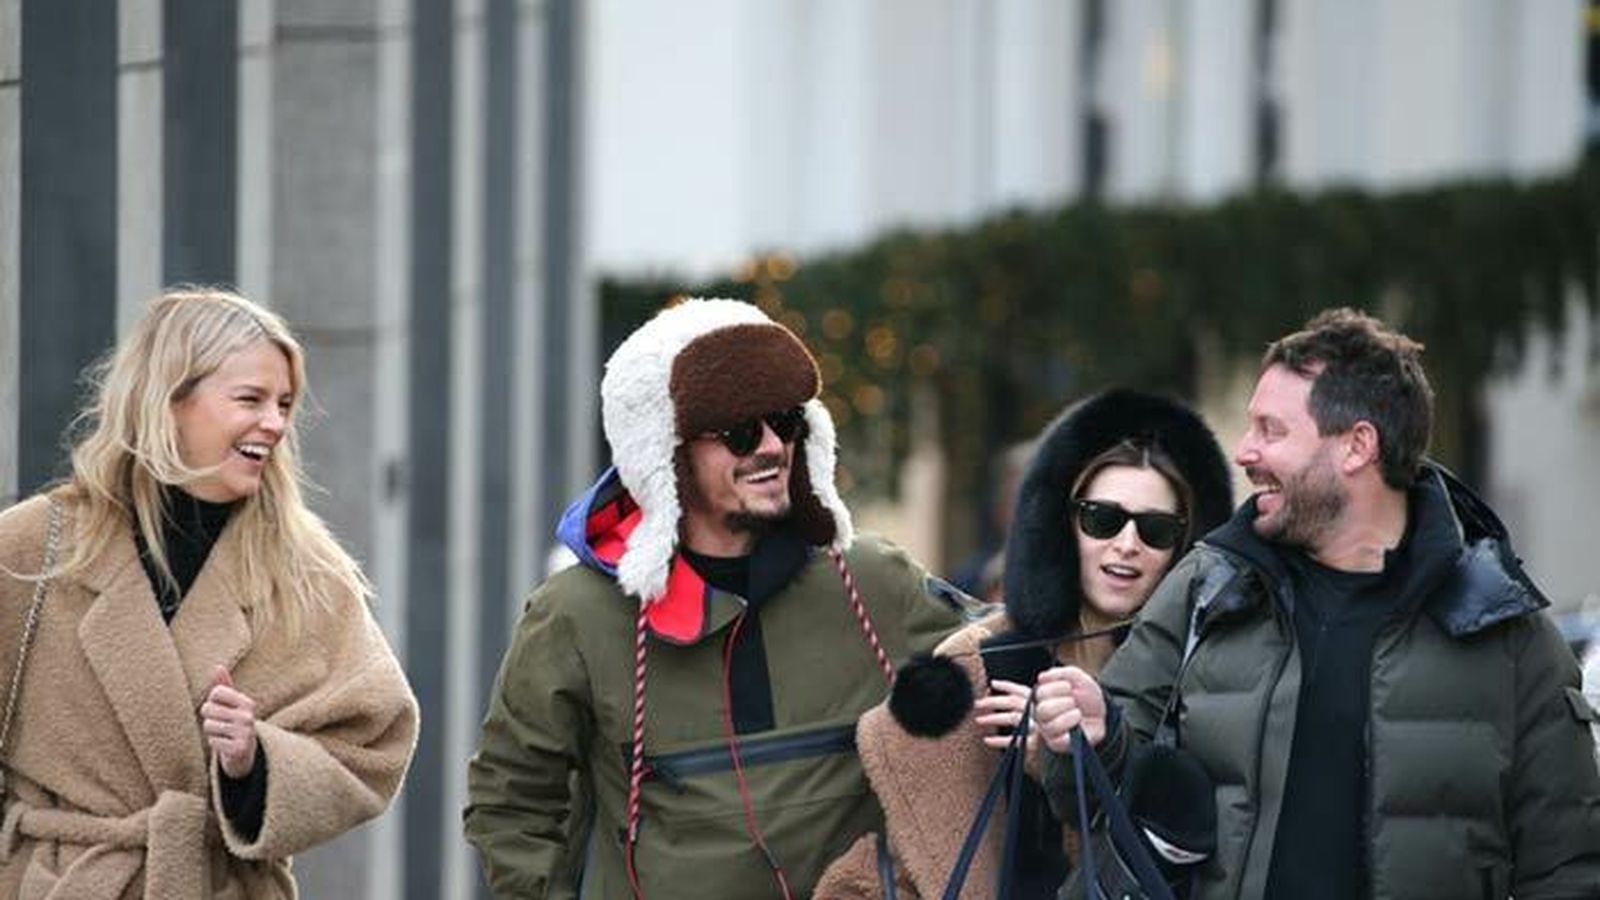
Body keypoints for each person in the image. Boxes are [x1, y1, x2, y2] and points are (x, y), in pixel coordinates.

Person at [1033, 308, 1600, 899]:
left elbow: (1569, 870)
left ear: (1357, 446)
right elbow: (1084, 799)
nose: (1244, 452)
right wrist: (1095, 734)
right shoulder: (1208, 587)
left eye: (1271, 430)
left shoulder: (1508, 635)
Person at [464, 298, 972, 899]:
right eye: (737, 432)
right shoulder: (576, 612)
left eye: (784, 422)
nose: (770, 447)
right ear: (666, 456)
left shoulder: (870, 580)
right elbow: (510, 802)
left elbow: (1013, 656)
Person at [0, 288, 420, 899]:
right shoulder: (35, 545)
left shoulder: (303, 572)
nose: (274, 423)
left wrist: (255, 763)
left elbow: (375, 740)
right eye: (250, 399)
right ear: (169, 401)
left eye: (284, 404)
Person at [814, 388, 1233, 899]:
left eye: (1157, 529)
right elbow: (903, 866)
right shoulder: (982, 668)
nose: (1127, 544)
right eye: (1102, 519)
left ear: (1184, 546)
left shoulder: (1210, 679)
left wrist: (1075, 757)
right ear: (1063, 524)